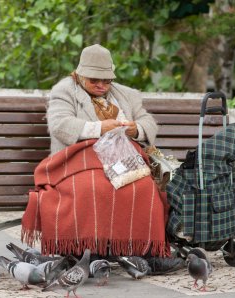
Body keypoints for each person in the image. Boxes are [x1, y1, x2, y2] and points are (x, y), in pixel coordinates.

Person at [21, 44, 169, 259]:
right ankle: (85, 252)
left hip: (123, 158)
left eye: (106, 81)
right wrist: (99, 128)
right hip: (77, 160)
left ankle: (144, 252)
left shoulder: (127, 95)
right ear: (80, 75)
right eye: (94, 80)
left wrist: (137, 128)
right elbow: (59, 124)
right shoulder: (64, 91)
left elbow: (148, 121)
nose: (101, 85)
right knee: (92, 187)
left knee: (144, 187)